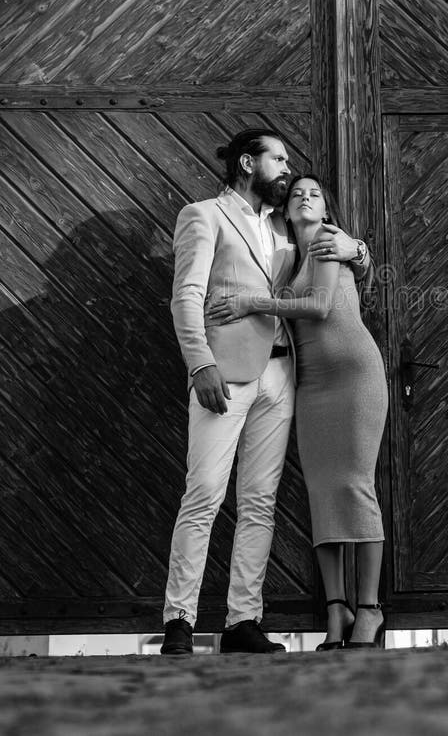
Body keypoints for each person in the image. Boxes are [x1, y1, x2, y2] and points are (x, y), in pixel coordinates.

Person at [160, 130, 370, 655]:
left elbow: (338, 263)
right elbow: (185, 296)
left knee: (260, 503)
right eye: (278, 158)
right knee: (204, 494)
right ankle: (180, 620)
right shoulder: (204, 215)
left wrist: (359, 250)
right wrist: (199, 363)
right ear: (248, 162)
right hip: (223, 375)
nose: (286, 168)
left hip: (282, 377)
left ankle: (242, 621)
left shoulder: (284, 226)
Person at [208, 174, 388, 649]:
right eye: (295, 194)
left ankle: (369, 609)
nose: (304, 197)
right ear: (284, 211)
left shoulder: (331, 241)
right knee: (322, 495)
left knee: (355, 486)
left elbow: (323, 305)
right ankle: (337, 610)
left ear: (326, 210)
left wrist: (251, 301)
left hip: (354, 376)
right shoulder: (288, 262)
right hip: (311, 385)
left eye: (315, 194)